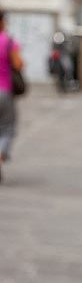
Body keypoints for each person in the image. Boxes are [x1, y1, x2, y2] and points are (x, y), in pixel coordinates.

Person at [0, 10, 23, 182]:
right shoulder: (7, 41)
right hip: (3, 91)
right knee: (7, 128)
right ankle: (0, 154)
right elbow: (18, 64)